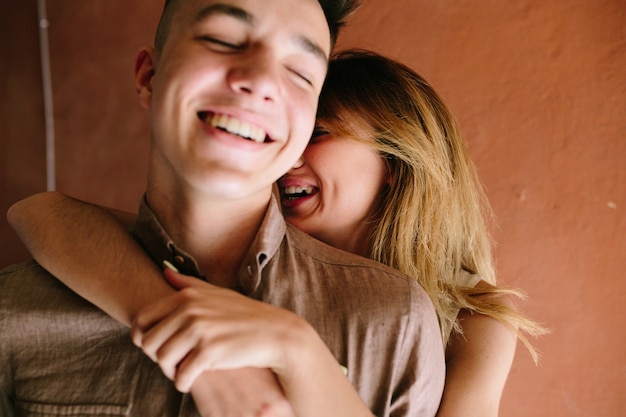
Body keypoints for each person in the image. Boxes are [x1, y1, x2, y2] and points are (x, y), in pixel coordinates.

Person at [8, 48, 547, 416]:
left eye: (319, 133)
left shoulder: (474, 319)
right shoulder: (247, 252)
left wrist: (297, 349)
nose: (290, 155)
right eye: (289, 136)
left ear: (398, 160)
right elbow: (40, 213)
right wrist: (160, 309)